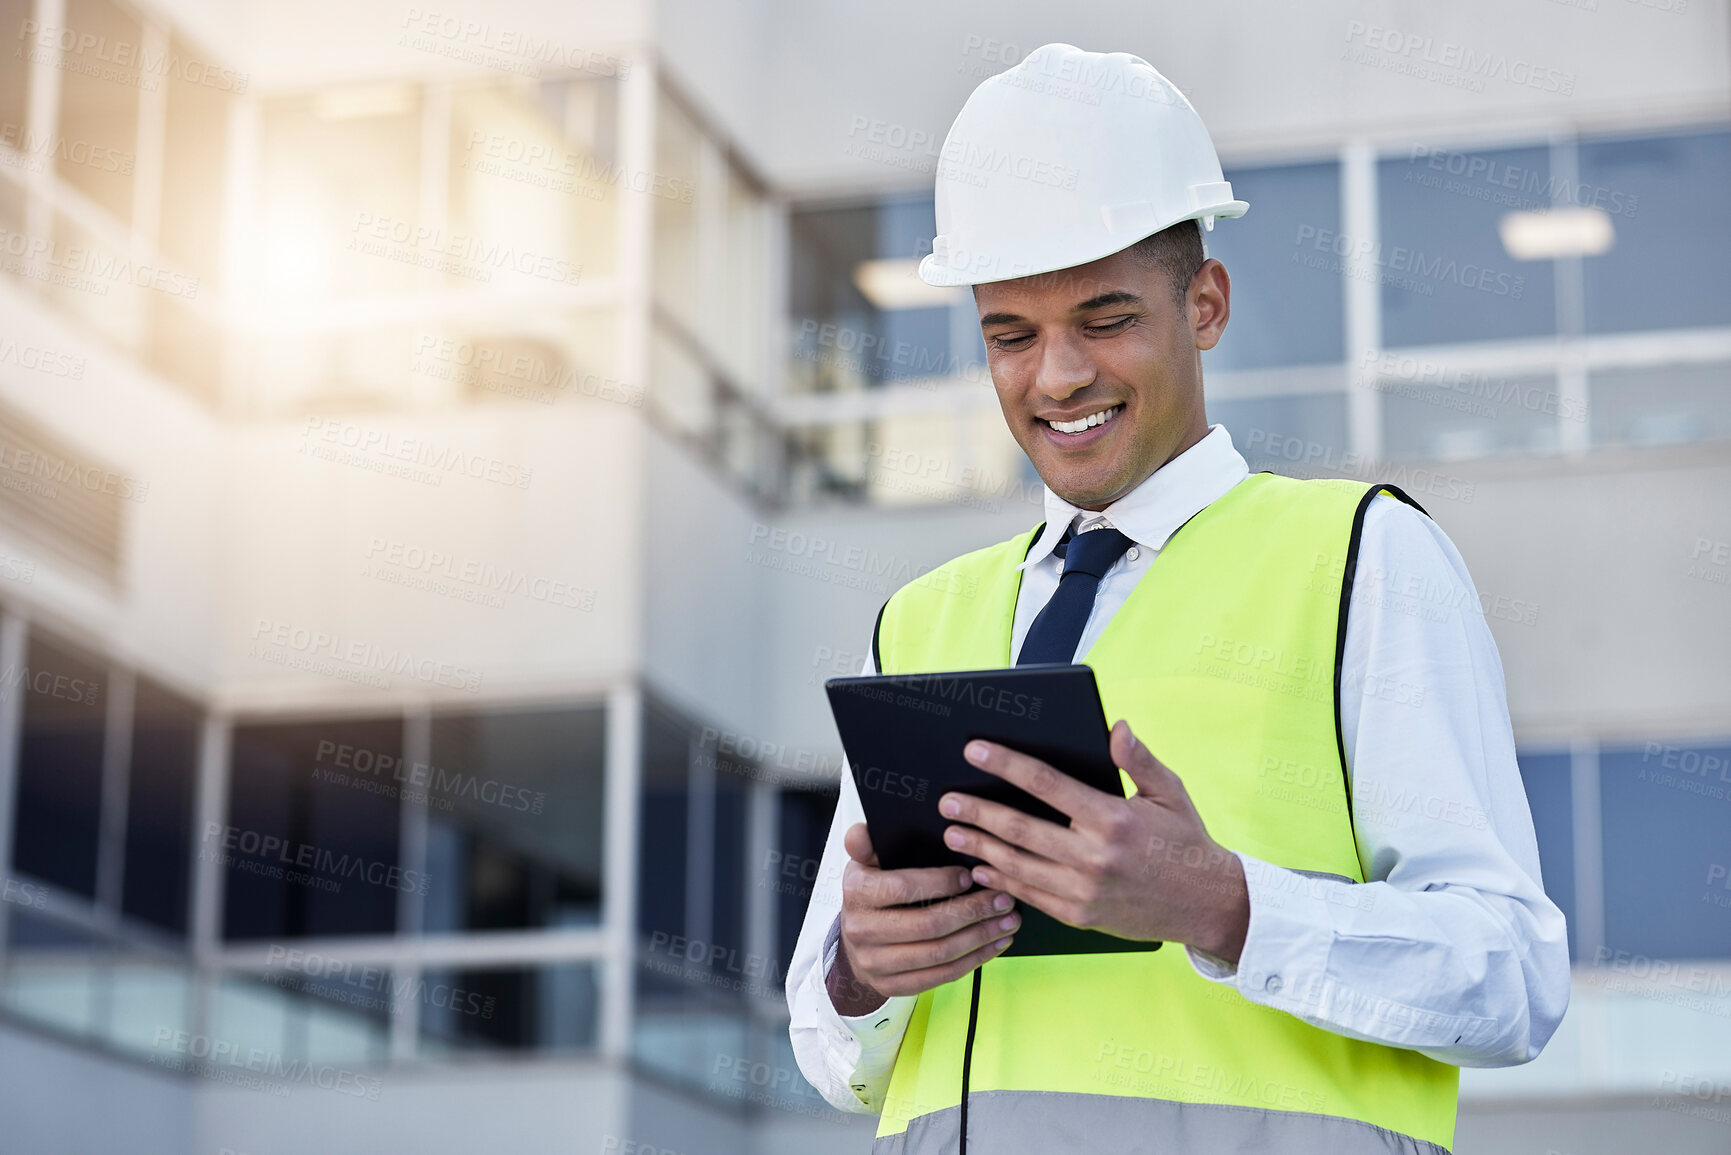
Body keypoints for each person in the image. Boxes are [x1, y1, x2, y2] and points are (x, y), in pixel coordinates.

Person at [786, 43, 1569, 1155]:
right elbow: (827, 1048)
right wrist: (865, 973)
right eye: (1011, 334)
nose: (1056, 377)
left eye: (1104, 320)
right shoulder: (916, 625)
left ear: (1205, 303)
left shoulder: (1362, 561)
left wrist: (1224, 905)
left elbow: (1514, 980)